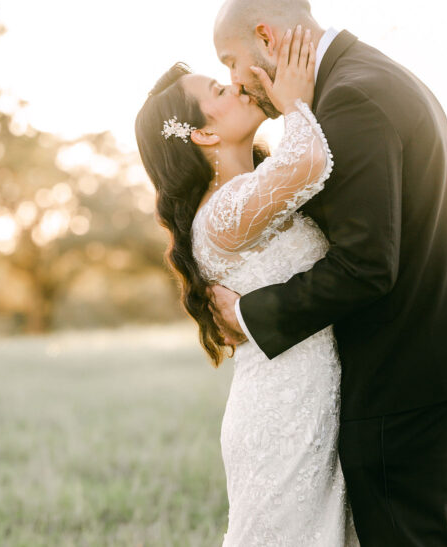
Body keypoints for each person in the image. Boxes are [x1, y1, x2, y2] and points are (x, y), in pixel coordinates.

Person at [207, 0, 447, 546]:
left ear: (265, 37)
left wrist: (251, 314)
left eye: (231, 61)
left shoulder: (350, 98)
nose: (233, 79)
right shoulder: (372, 74)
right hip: (443, 354)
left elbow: (367, 264)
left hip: (403, 368)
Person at [135, 27, 359, 545]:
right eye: (219, 90)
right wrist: (296, 100)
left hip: (314, 405)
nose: (237, 87)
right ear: (204, 135)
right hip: (279, 419)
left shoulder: (253, 191)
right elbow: (308, 161)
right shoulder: (221, 216)